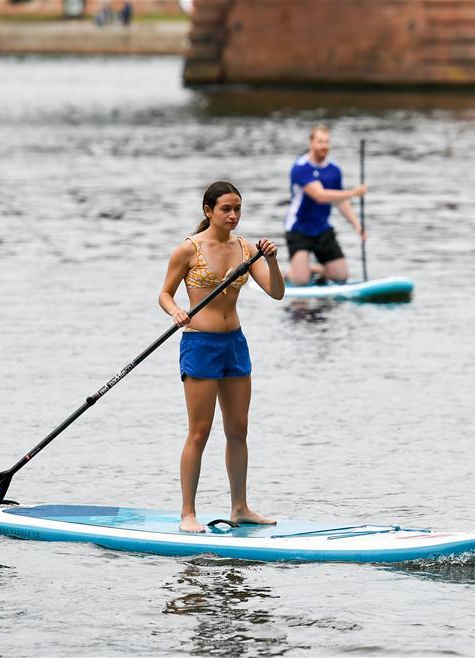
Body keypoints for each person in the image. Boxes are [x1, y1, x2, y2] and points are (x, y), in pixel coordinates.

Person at [159, 181, 284, 533]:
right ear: (208, 211)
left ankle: (240, 507)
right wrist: (177, 312)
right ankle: (188, 513)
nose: (233, 216)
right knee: (199, 432)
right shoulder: (188, 250)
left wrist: (272, 262)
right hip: (200, 344)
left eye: (238, 209)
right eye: (226, 209)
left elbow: (276, 292)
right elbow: (164, 294)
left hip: (235, 344)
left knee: (238, 430)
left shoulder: (246, 248)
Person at [284, 124, 367, 285]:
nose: (324, 146)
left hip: (322, 228)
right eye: (320, 142)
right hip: (298, 229)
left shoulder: (334, 169)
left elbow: (339, 200)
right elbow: (320, 196)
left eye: (327, 142)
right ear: (311, 143)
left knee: (341, 276)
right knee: (301, 281)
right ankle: (293, 272)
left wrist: (357, 225)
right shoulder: (301, 168)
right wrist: (354, 192)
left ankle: (312, 269)